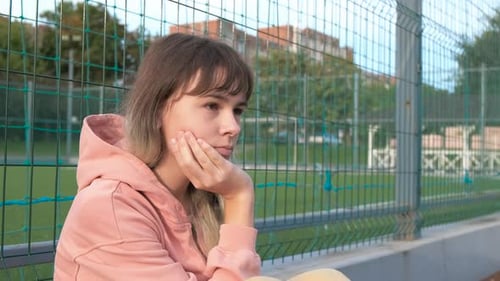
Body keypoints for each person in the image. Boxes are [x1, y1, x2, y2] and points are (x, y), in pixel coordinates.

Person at [54, 33, 261, 280]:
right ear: (156, 110)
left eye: (237, 110)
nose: (233, 127)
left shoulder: (203, 198)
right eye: (212, 105)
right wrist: (239, 196)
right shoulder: (109, 208)